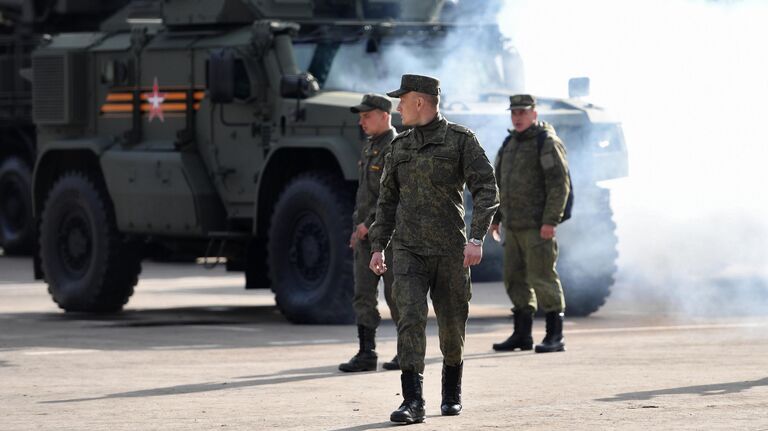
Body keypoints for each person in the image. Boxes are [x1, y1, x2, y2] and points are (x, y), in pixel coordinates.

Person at [368, 74, 499, 424]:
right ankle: (413, 402)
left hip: (450, 251)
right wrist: (379, 246)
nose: (398, 107)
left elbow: (486, 188)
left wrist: (476, 238)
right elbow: (387, 201)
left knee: (452, 328)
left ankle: (451, 391)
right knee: (409, 320)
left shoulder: (460, 141)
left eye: (402, 100)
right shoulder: (400, 147)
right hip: (408, 251)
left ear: (420, 102)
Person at [490, 94, 571, 354]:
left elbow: (559, 185)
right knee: (514, 279)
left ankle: (554, 335)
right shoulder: (509, 143)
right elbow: (499, 185)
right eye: (514, 113)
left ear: (534, 114)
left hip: (538, 227)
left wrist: (550, 220)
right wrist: (496, 219)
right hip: (513, 226)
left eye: (523, 112)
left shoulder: (545, 143)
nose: (517, 117)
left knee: (543, 277)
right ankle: (522, 334)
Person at [339, 93, 401, 373]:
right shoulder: (369, 147)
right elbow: (363, 194)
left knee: (397, 296)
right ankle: (367, 352)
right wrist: (357, 227)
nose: (362, 121)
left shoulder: (395, 148)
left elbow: (393, 196)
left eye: (367, 116)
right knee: (363, 294)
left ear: (384, 115)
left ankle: (406, 351)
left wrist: (370, 224)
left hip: (389, 236)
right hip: (365, 235)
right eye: (360, 117)